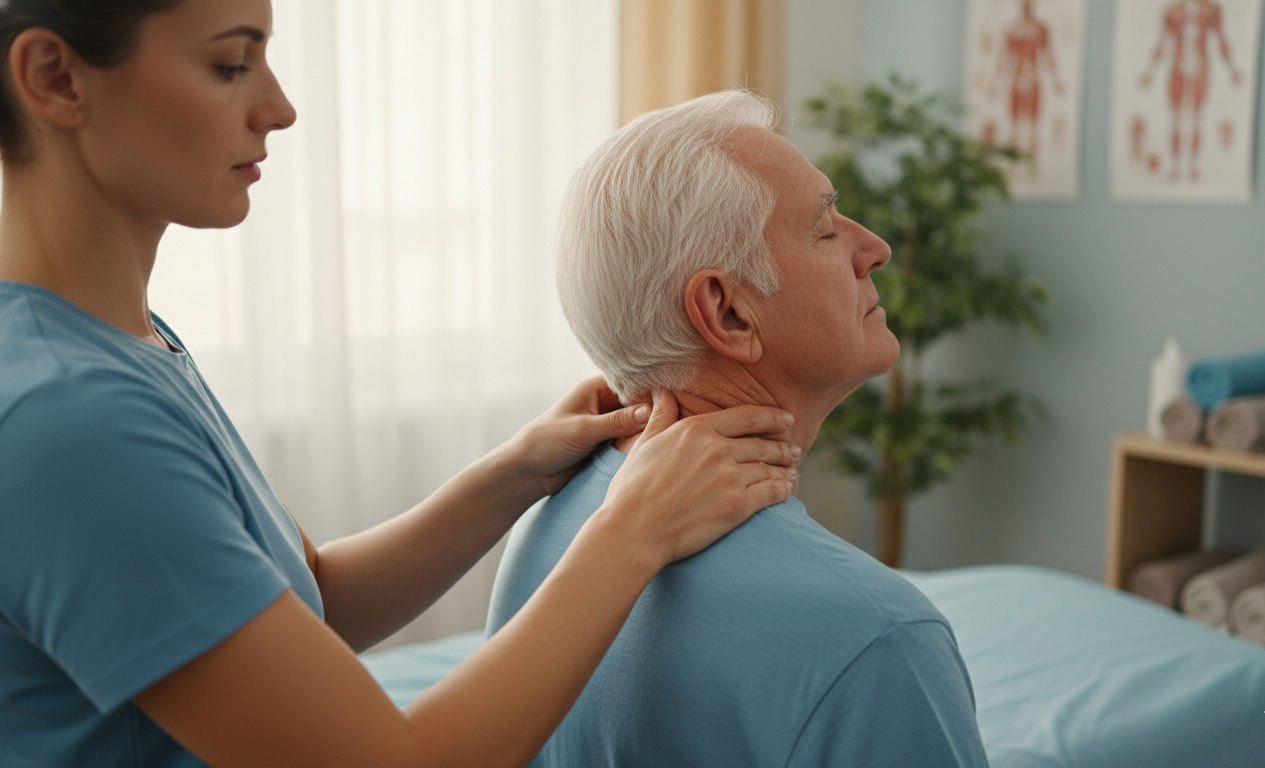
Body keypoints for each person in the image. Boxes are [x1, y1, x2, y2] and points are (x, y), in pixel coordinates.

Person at [0, 2, 801, 767]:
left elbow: (306, 600)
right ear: (54, 78)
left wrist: (512, 473)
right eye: (230, 64)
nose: (279, 108)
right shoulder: (72, 420)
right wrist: (633, 533)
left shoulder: (122, 341)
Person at [487, 90, 991, 767]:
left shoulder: (544, 522)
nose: (874, 247)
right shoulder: (879, 636)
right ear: (726, 315)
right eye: (824, 229)